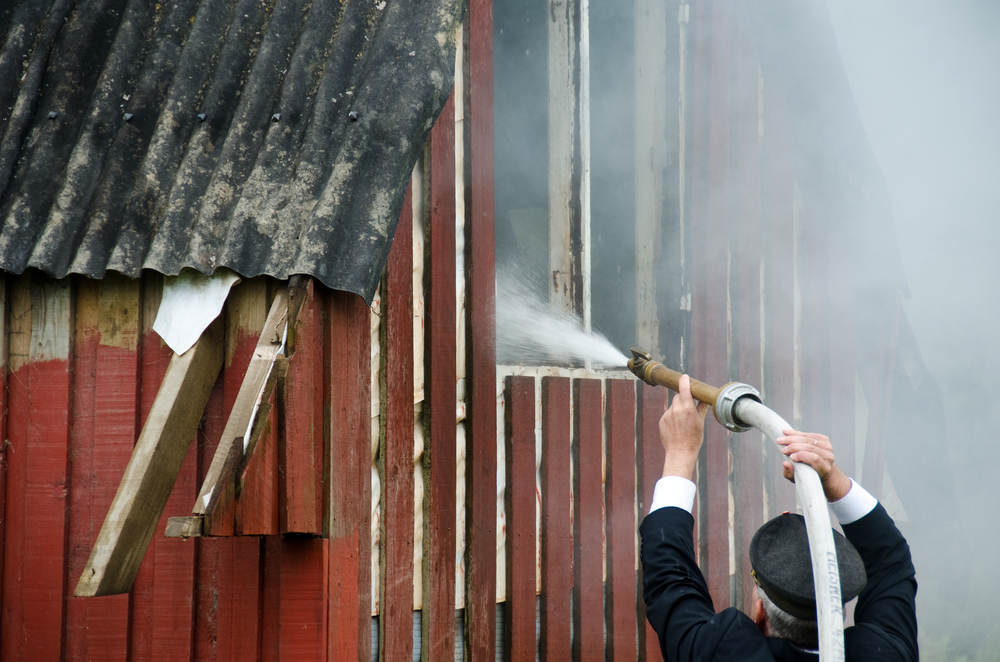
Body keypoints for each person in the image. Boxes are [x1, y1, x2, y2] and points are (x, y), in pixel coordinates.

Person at [640, 375, 918, 661]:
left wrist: (680, 450)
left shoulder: (722, 652)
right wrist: (834, 480)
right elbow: (891, 562)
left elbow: (670, 579)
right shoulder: (885, 654)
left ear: (760, 614)